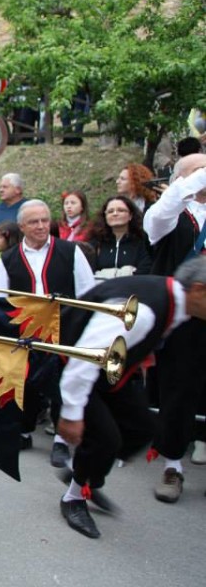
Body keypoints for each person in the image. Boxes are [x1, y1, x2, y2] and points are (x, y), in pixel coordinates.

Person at [56, 257, 206, 538]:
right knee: (105, 438)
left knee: (143, 428)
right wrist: (71, 414)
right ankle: (74, 497)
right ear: (198, 290)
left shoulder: (176, 300)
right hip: (74, 366)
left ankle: (86, 473)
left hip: (109, 372)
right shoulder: (145, 309)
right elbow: (85, 360)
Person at [0, 200, 96, 467]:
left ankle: (61, 441)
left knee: (64, 385)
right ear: (21, 226)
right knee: (26, 383)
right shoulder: (9, 258)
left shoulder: (70, 251)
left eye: (44, 220)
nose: (41, 226)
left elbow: (87, 292)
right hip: (26, 331)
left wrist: (83, 328)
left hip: (65, 330)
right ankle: (24, 432)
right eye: (34, 222)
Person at [142, 155, 206, 503]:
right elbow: (163, 213)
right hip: (183, 318)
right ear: (181, 178)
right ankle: (173, 466)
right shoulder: (165, 214)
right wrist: (195, 176)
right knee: (178, 391)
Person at [87, 195, 152, 279]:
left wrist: (104, 273)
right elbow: (87, 272)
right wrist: (127, 272)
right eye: (110, 211)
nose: (115, 214)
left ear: (130, 215)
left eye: (121, 210)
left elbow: (145, 269)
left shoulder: (142, 241)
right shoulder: (96, 242)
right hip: (102, 289)